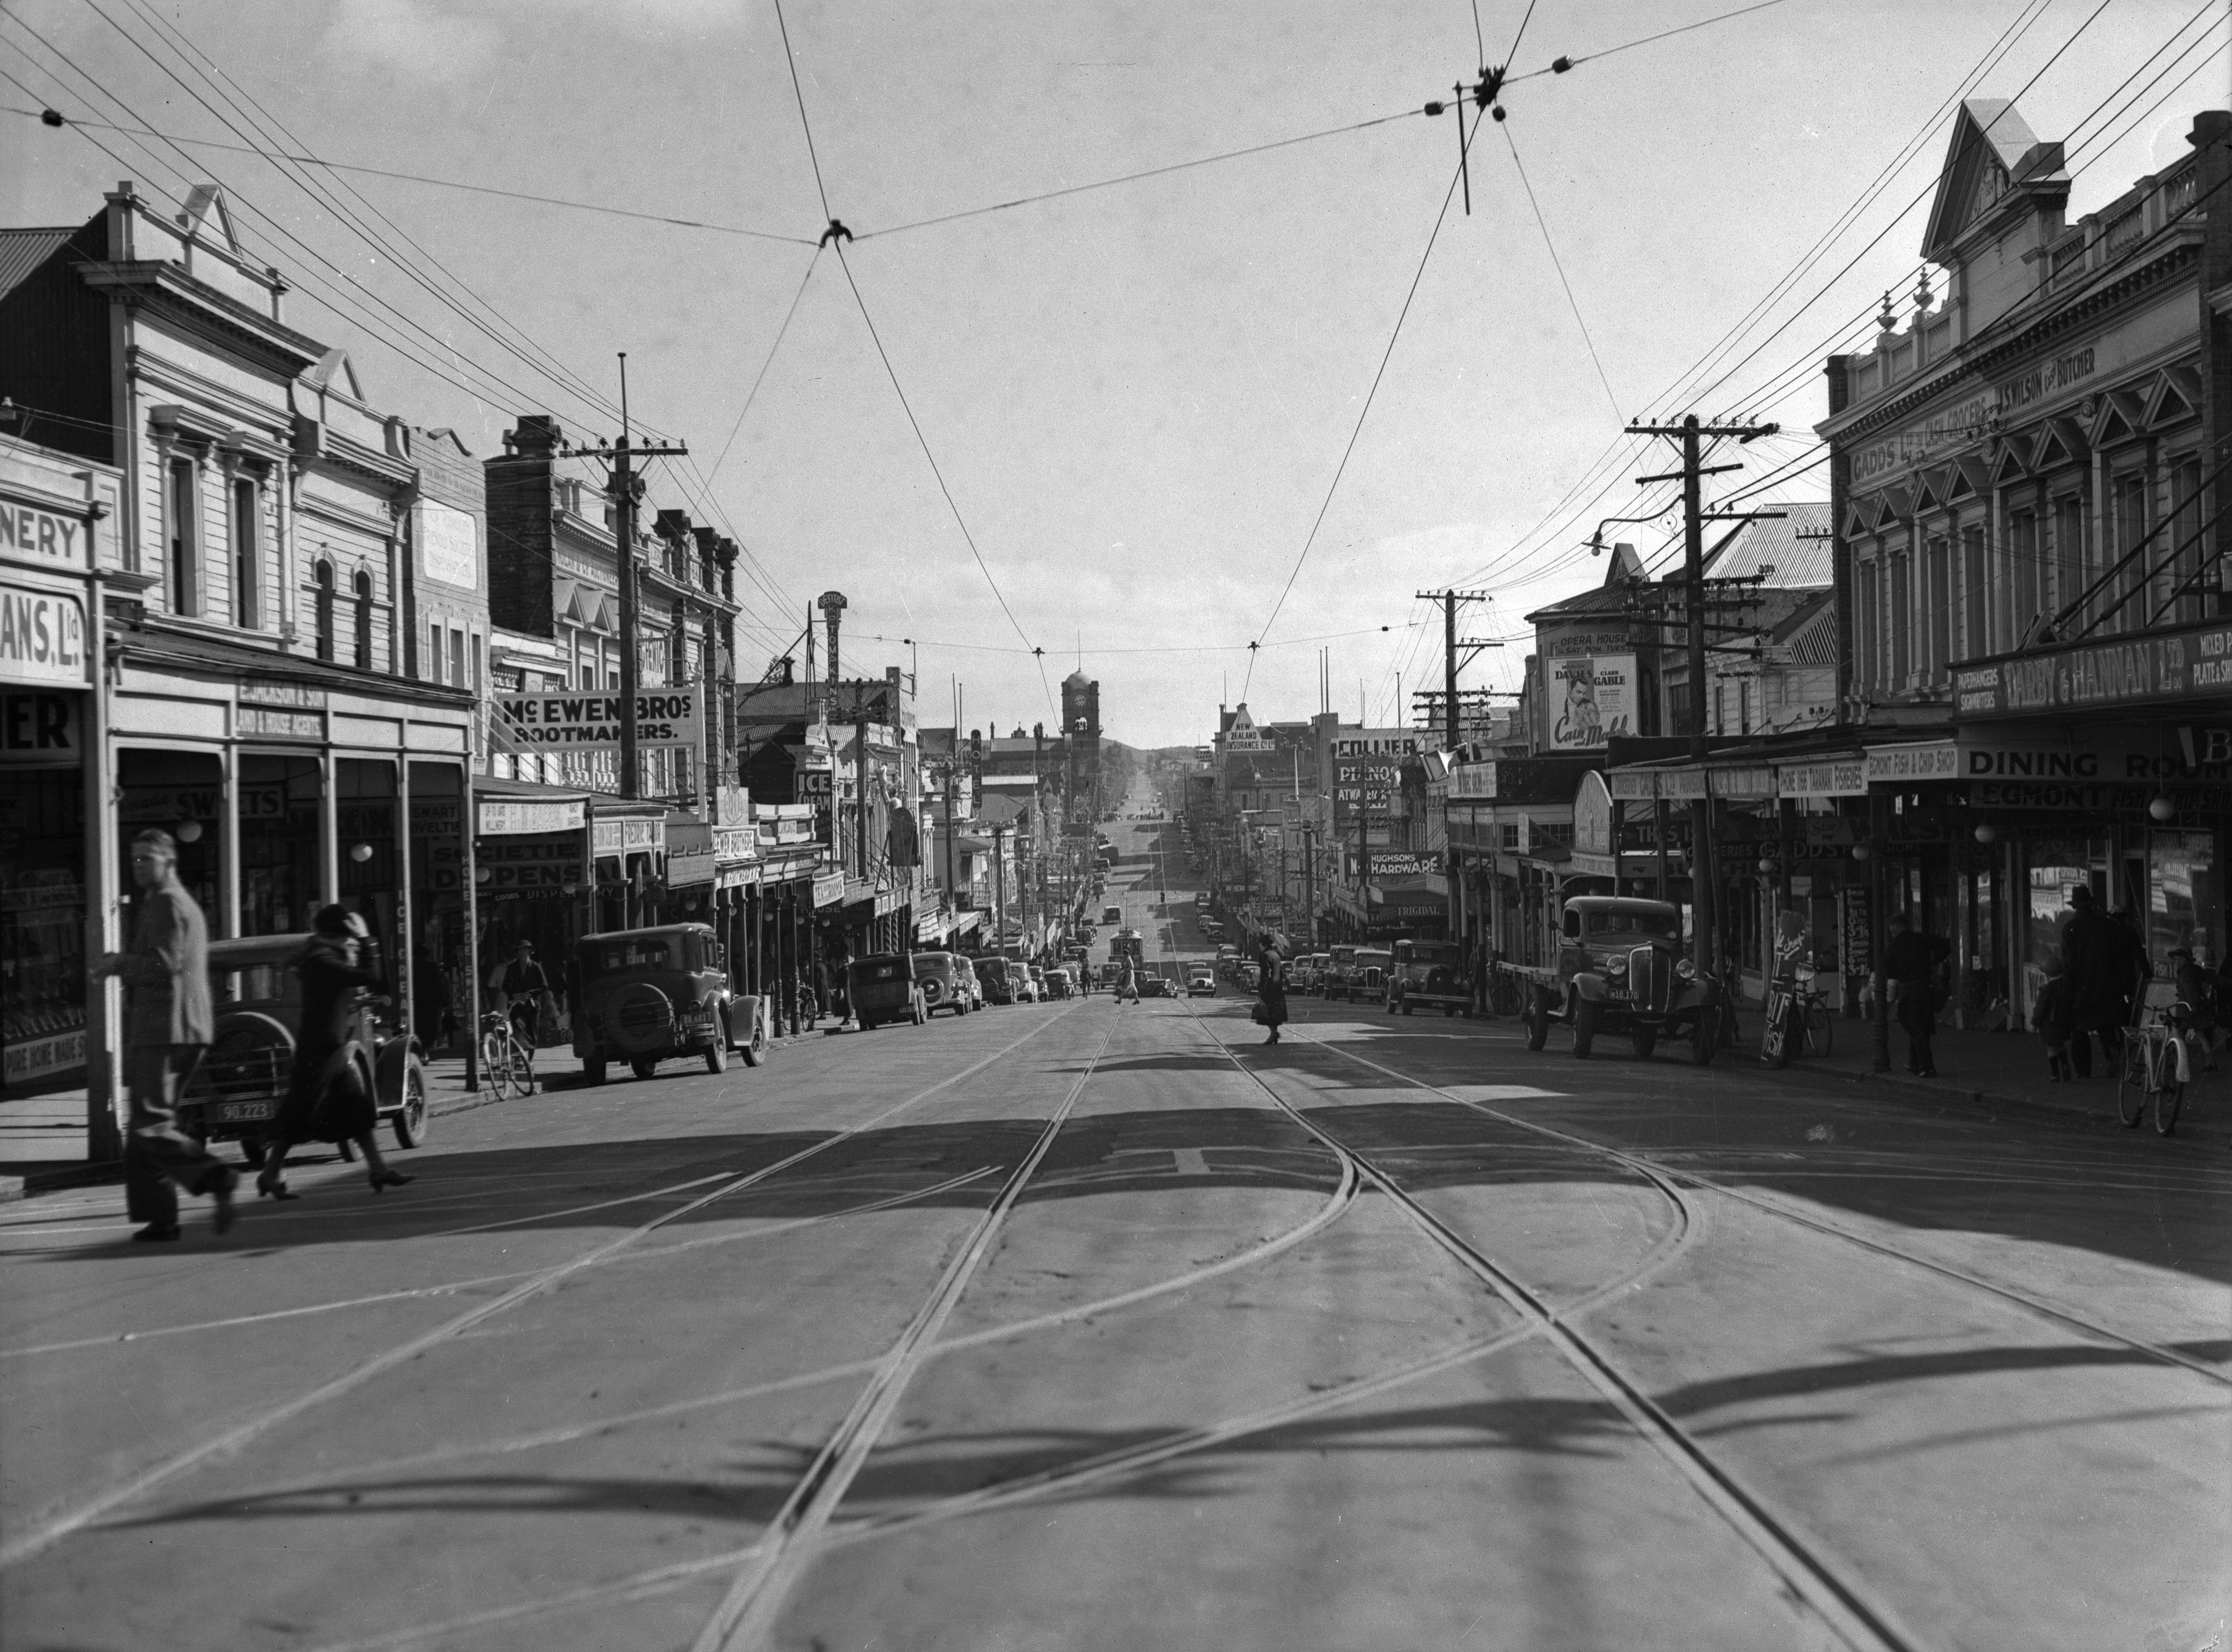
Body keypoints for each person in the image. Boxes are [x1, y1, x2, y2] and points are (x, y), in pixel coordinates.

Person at [91, 829, 237, 1242]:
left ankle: (217, 1177)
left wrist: (117, 963)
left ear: (168, 862)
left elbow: (161, 965)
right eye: (135, 860)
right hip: (171, 1027)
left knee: (151, 1125)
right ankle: (161, 1218)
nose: (138, 867)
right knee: (145, 1128)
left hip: (168, 1028)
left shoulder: (169, 903)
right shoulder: (166, 902)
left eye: (147, 860)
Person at [258, 906, 413, 1198]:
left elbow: (331, 1002)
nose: (351, 943)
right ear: (337, 936)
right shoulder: (323, 960)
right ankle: (269, 1174)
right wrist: (367, 938)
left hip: (329, 1047)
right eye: (349, 938)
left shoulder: (321, 958)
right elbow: (371, 973)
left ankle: (378, 1169)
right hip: (319, 1051)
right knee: (299, 1115)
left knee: (356, 1111)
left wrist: (353, 1005)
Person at [2060, 887, 2129, 1079]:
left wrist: (2068, 992)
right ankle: (2112, 1052)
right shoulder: (2107, 925)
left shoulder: (2070, 929)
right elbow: (2118, 959)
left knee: (2079, 1032)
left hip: (2081, 988)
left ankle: (2084, 1073)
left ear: (2075, 906)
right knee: (2105, 1026)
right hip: (2106, 987)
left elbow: (2069, 964)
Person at [1882, 911, 1950, 1078]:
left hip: (1908, 991)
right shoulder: (1920, 939)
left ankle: (1926, 1067)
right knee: (1922, 1026)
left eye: (1892, 928)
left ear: (1895, 928)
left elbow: (1891, 977)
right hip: (1926, 988)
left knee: (1916, 1027)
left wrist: (1890, 1001)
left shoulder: (1893, 947)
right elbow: (1946, 946)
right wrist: (1935, 961)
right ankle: (1914, 1062)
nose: (1891, 931)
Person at [501, 940, 552, 1047]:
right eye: (520, 950)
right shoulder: (512, 967)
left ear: (530, 952)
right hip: (517, 1004)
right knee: (517, 1030)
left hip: (532, 1004)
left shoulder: (535, 966)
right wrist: (513, 994)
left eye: (525, 949)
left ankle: (530, 1060)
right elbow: (505, 986)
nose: (523, 952)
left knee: (532, 1032)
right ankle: (518, 1056)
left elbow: (544, 986)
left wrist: (530, 993)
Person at [2034, 955, 2076, 1082]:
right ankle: (2065, 1065)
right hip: (2063, 1023)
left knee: (2052, 1048)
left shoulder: (2047, 989)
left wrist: (2035, 1023)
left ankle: (2055, 1074)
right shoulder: (2066, 987)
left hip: (2050, 1024)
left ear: (2047, 975)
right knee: (2061, 1045)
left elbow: (2040, 1009)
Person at [1255, 941, 1289, 1045]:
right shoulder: (1276, 955)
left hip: (1269, 987)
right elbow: (1281, 973)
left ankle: (1274, 1033)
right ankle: (1274, 1034)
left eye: (1261, 945)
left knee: (1264, 1011)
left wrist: (1262, 986)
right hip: (1278, 988)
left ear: (1264, 945)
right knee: (1276, 1011)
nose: (1260, 947)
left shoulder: (1265, 955)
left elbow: (1264, 972)